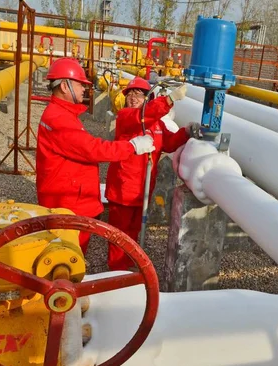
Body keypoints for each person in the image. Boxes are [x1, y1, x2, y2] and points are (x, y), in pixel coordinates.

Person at [36, 58, 155, 254]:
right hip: (69, 203)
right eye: (80, 84)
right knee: (68, 255)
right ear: (65, 86)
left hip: (69, 197)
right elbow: (93, 149)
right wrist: (132, 146)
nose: (85, 89)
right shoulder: (59, 118)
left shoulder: (62, 114)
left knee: (68, 255)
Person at [105, 77, 201, 271]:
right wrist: (169, 100)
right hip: (122, 191)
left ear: (148, 98)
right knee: (118, 235)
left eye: (138, 94)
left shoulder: (156, 124)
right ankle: (115, 272)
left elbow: (170, 142)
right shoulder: (126, 117)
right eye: (129, 94)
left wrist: (186, 132)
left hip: (143, 191)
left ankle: (128, 268)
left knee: (133, 233)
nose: (132, 98)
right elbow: (141, 117)